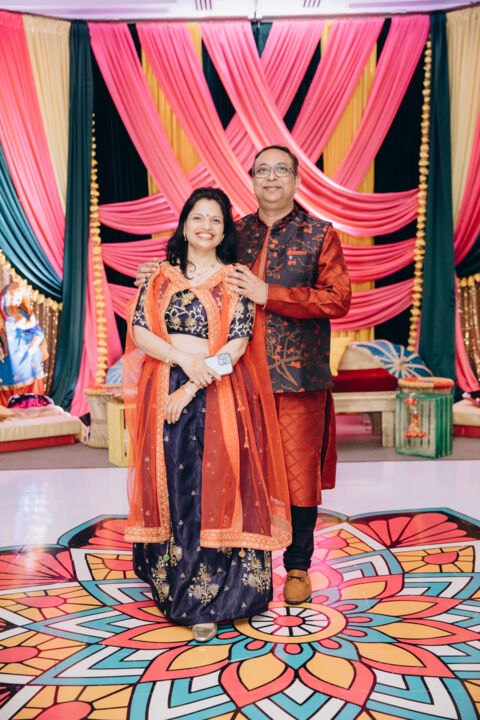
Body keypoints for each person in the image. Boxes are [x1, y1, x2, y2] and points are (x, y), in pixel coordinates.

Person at [136, 146, 352, 605]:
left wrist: (268, 292)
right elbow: (194, 262)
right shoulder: (235, 231)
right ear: (251, 179)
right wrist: (154, 272)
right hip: (231, 380)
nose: (272, 177)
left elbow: (338, 299)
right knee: (234, 475)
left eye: (282, 170)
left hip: (296, 381)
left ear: (297, 179)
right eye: (262, 170)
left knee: (297, 478)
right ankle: (237, 570)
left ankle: (298, 566)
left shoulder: (320, 234)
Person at [124, 187, 291, 643]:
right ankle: (184, 596)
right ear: (184, 224)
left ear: (224, 231)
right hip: (164, 388)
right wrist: (182, 361)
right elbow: (141, 331)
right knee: (177, 490)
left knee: (218, 489)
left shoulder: (234, 280)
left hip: (218, 394)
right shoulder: (160, 275)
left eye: (216, 220)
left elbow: (237, 344)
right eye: (198, 217)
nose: (206, 226)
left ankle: (221, 599)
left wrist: (193, 384)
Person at [0, 282, 49, 406]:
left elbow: (37, 330)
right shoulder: (1, 316)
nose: (17, 300)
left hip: (29, 358)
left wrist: (36, 339)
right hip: (8, 360)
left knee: (32, 397)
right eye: (14, 297)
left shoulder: (25, 313)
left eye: (19, 297)